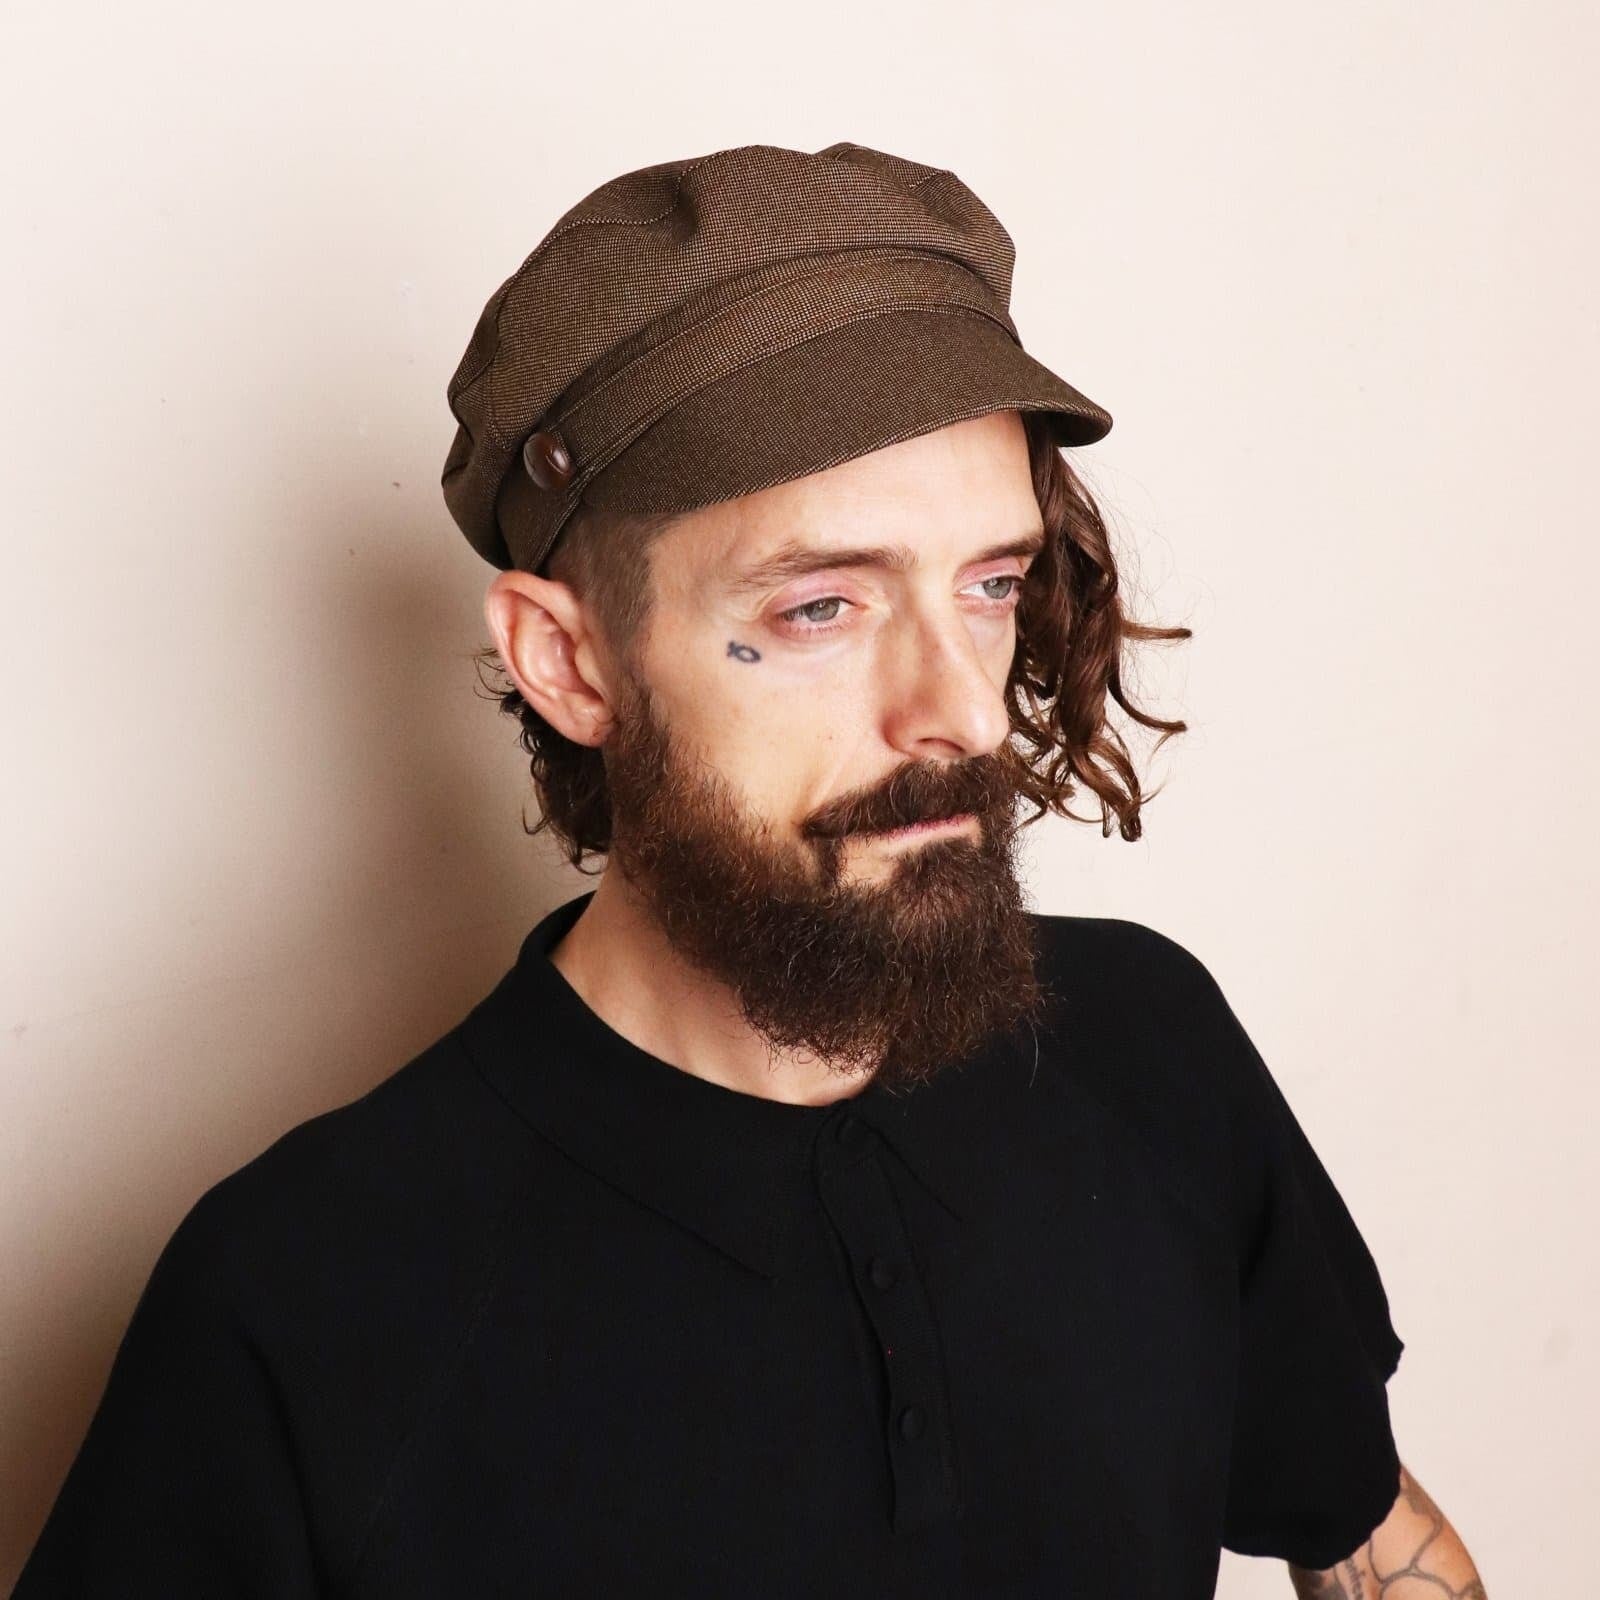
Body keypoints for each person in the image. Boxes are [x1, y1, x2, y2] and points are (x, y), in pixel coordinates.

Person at [13, 141, 1487, 1598]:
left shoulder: (1150, 1048)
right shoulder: (306, 1297)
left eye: (988, 584)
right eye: (822, 608)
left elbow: (1367, 1533)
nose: (966, 713)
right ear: (568, 663)